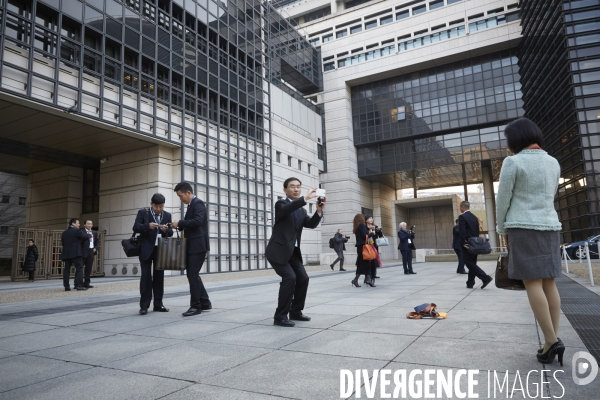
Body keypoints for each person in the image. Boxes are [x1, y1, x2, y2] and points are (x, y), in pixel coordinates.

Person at [496, 118, 564, 365]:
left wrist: (501, 227)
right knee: (549, 282)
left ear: (515, 139)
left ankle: (552, 341)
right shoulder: (553, 162)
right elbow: (550, 195)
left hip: (523, 226)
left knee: (532, 282)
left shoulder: (513, 162)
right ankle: (550, 341)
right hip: (550, 226)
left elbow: (503, 199)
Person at [265, 178, 324, 327]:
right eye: (292, 187)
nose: (296, 189)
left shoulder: (302, 210)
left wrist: (318, 210)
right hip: (277, 251)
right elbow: (286, 210)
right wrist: (306, 198)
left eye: (298, 187)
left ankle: (295, 311)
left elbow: (310, 224)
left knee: (303, 278)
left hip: (293, 253)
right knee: (290, 278)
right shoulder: (281, 204)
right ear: (285, 190)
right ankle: (280, 316)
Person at [172, 182, 212, 317]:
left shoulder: (198, 204)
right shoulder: (191, 205)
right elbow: (191, 224)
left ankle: (196, 306)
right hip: (193, 245)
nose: (180, 199)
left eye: (181, 196)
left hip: (198, 246)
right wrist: (175, 225)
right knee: (193, 275)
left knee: (192, 275)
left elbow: (197, 221)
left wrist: (181, 223)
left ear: (188, 193)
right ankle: (205, 302)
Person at [133, 194, 173, 315]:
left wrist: (167, 230)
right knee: (145, 277)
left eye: (161, 206)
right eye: (156, 206)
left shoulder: (167, 215)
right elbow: (136, 227)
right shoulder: (143, 213)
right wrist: (148, 226)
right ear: (151, 204)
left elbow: (170, 232)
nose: (159, 209)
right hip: (145, 249)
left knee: (159, 277)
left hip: (160, 250)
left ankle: (158, 304)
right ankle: (144, 306)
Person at [458, 201, 493, 289]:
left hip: (468, 243)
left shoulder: (462, 217)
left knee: (468, 262)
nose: (460, 209)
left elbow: (462, 232)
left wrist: (464, 243)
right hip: (475, 243)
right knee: (472, 262)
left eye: (460, 207)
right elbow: (476, 231)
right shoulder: (474, 217)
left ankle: (485, 278)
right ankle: (470, 283)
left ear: (462, 207)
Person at [60, 218, 88, 291]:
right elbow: (85, 237)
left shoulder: (64, 233)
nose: (79, 224)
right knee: (79, 268)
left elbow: (63, 243)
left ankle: (66, 286)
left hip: (66, 253)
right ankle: (79, 285)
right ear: (73, 223)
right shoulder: (77, 231)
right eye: (78, 223)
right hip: (76, 253)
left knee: (66, 270)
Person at [352, 214, 375, 287]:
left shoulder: (358, 226)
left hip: (360, 247)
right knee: (365, 263)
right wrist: (372, 233)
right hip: (363, 247)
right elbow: (364, 236)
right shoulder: (361, 226)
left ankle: (356, 280)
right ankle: (366, 279)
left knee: (362, 264)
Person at [80, 220, 100, 289]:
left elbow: (97, 242)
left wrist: (95, 248)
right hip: (83, 252)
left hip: (91, 251)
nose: (90, 225)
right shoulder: (81, 232)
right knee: (80, 268)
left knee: (88, 268)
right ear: (84, 225)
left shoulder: (94, 232)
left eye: (91, 224)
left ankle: (87, 283)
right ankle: (78, 283)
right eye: (88, 224)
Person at [365, 215, 382, 280]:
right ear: (366, 220)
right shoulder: (365, 227)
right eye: (369, 218)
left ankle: (374, 274)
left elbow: (379, 236)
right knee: (369, 260)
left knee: (374, 259)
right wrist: (369, 229)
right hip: (368, 246)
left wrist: (378, 230)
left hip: (374, 245)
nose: (371, 219)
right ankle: (368, 275)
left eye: (372, 218)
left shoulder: (374, 226)